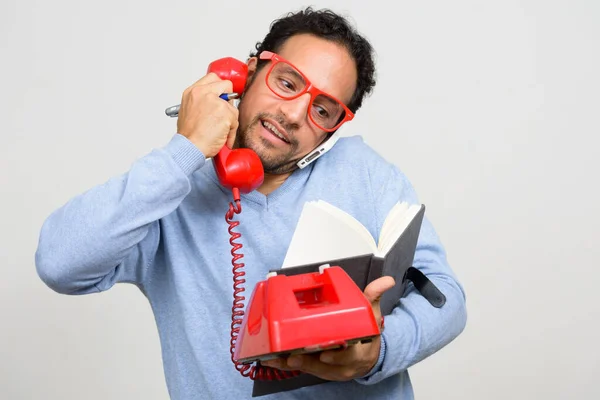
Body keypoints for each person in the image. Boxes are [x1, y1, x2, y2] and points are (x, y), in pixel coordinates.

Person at [35, 7, 467, 400]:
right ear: (246, 73)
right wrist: (184, 152)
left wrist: (377, 352)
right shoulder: (168, 191)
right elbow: (59, 262)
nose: (295, 114)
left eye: (323, 109)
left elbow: (446, 298)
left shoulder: (367, 173)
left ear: (333, 129)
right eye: (287, 82)